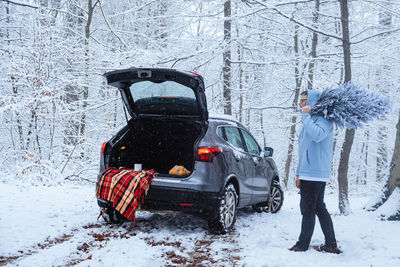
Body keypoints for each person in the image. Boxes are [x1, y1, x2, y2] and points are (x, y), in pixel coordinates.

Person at [289, 90, 342, 254]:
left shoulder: (324, 120)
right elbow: (302, 149)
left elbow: (317, 135)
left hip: (315, 173)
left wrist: (305, 117)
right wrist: (298, 173)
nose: (301, 104)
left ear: (312, 102)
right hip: (307, 172)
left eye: (304, 101)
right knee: (318, 207)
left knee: (308, 208)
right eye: (300, 100)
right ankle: (331, 244)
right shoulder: (310, 121)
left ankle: (302, 244)